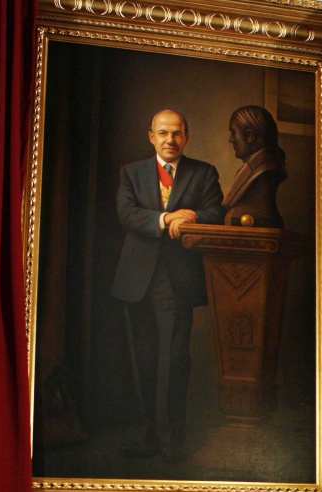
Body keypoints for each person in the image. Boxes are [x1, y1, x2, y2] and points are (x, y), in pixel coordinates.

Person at [111, 109, 224, 459]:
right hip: (137, 280)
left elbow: (216, 213)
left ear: (186, 137)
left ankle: (174, 441)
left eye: (176, 133)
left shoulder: (204, 173)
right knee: (144, 360)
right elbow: (127, 214)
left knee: (175, 360)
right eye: (163, 133)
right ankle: (149, 436)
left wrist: (189, 217)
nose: (170, 140)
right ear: (151, 137)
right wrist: (165, 218)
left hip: (178, 281)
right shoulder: (131, 172)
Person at [222, 105, 287, 228]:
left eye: (233, 133)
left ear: (249, 136)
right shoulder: (258, 166)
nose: (231, 140)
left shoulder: (266, 169)